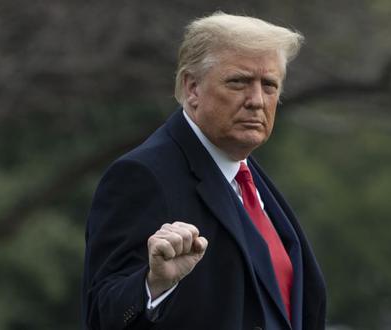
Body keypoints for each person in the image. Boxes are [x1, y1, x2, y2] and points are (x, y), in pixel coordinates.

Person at [82, 12, 326, 330]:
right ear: (193, 87)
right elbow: (102, 317)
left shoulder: (249, 176)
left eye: (269, 85)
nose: (256, 100)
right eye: (238, 81)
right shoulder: (142, 175)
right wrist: (153, 286)